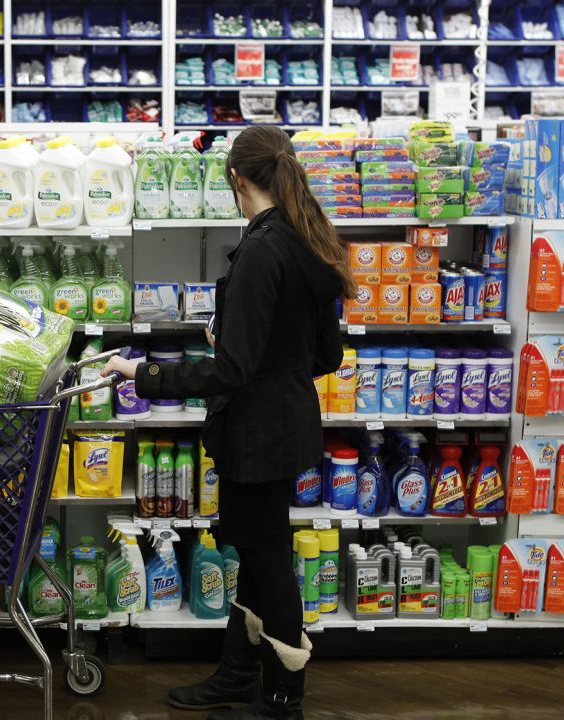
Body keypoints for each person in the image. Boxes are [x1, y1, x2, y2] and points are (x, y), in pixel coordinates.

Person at [105, 125, 355, 720]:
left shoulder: (262, 249)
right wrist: (261, 350)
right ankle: (237, 676)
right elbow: (326, 356)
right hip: (283, 424)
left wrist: (143, 375)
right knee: (255, 553)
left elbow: (232, 369)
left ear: (238, 180)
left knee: (270, 565)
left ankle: (280, 700)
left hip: (258, 434)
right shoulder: (307, 239)